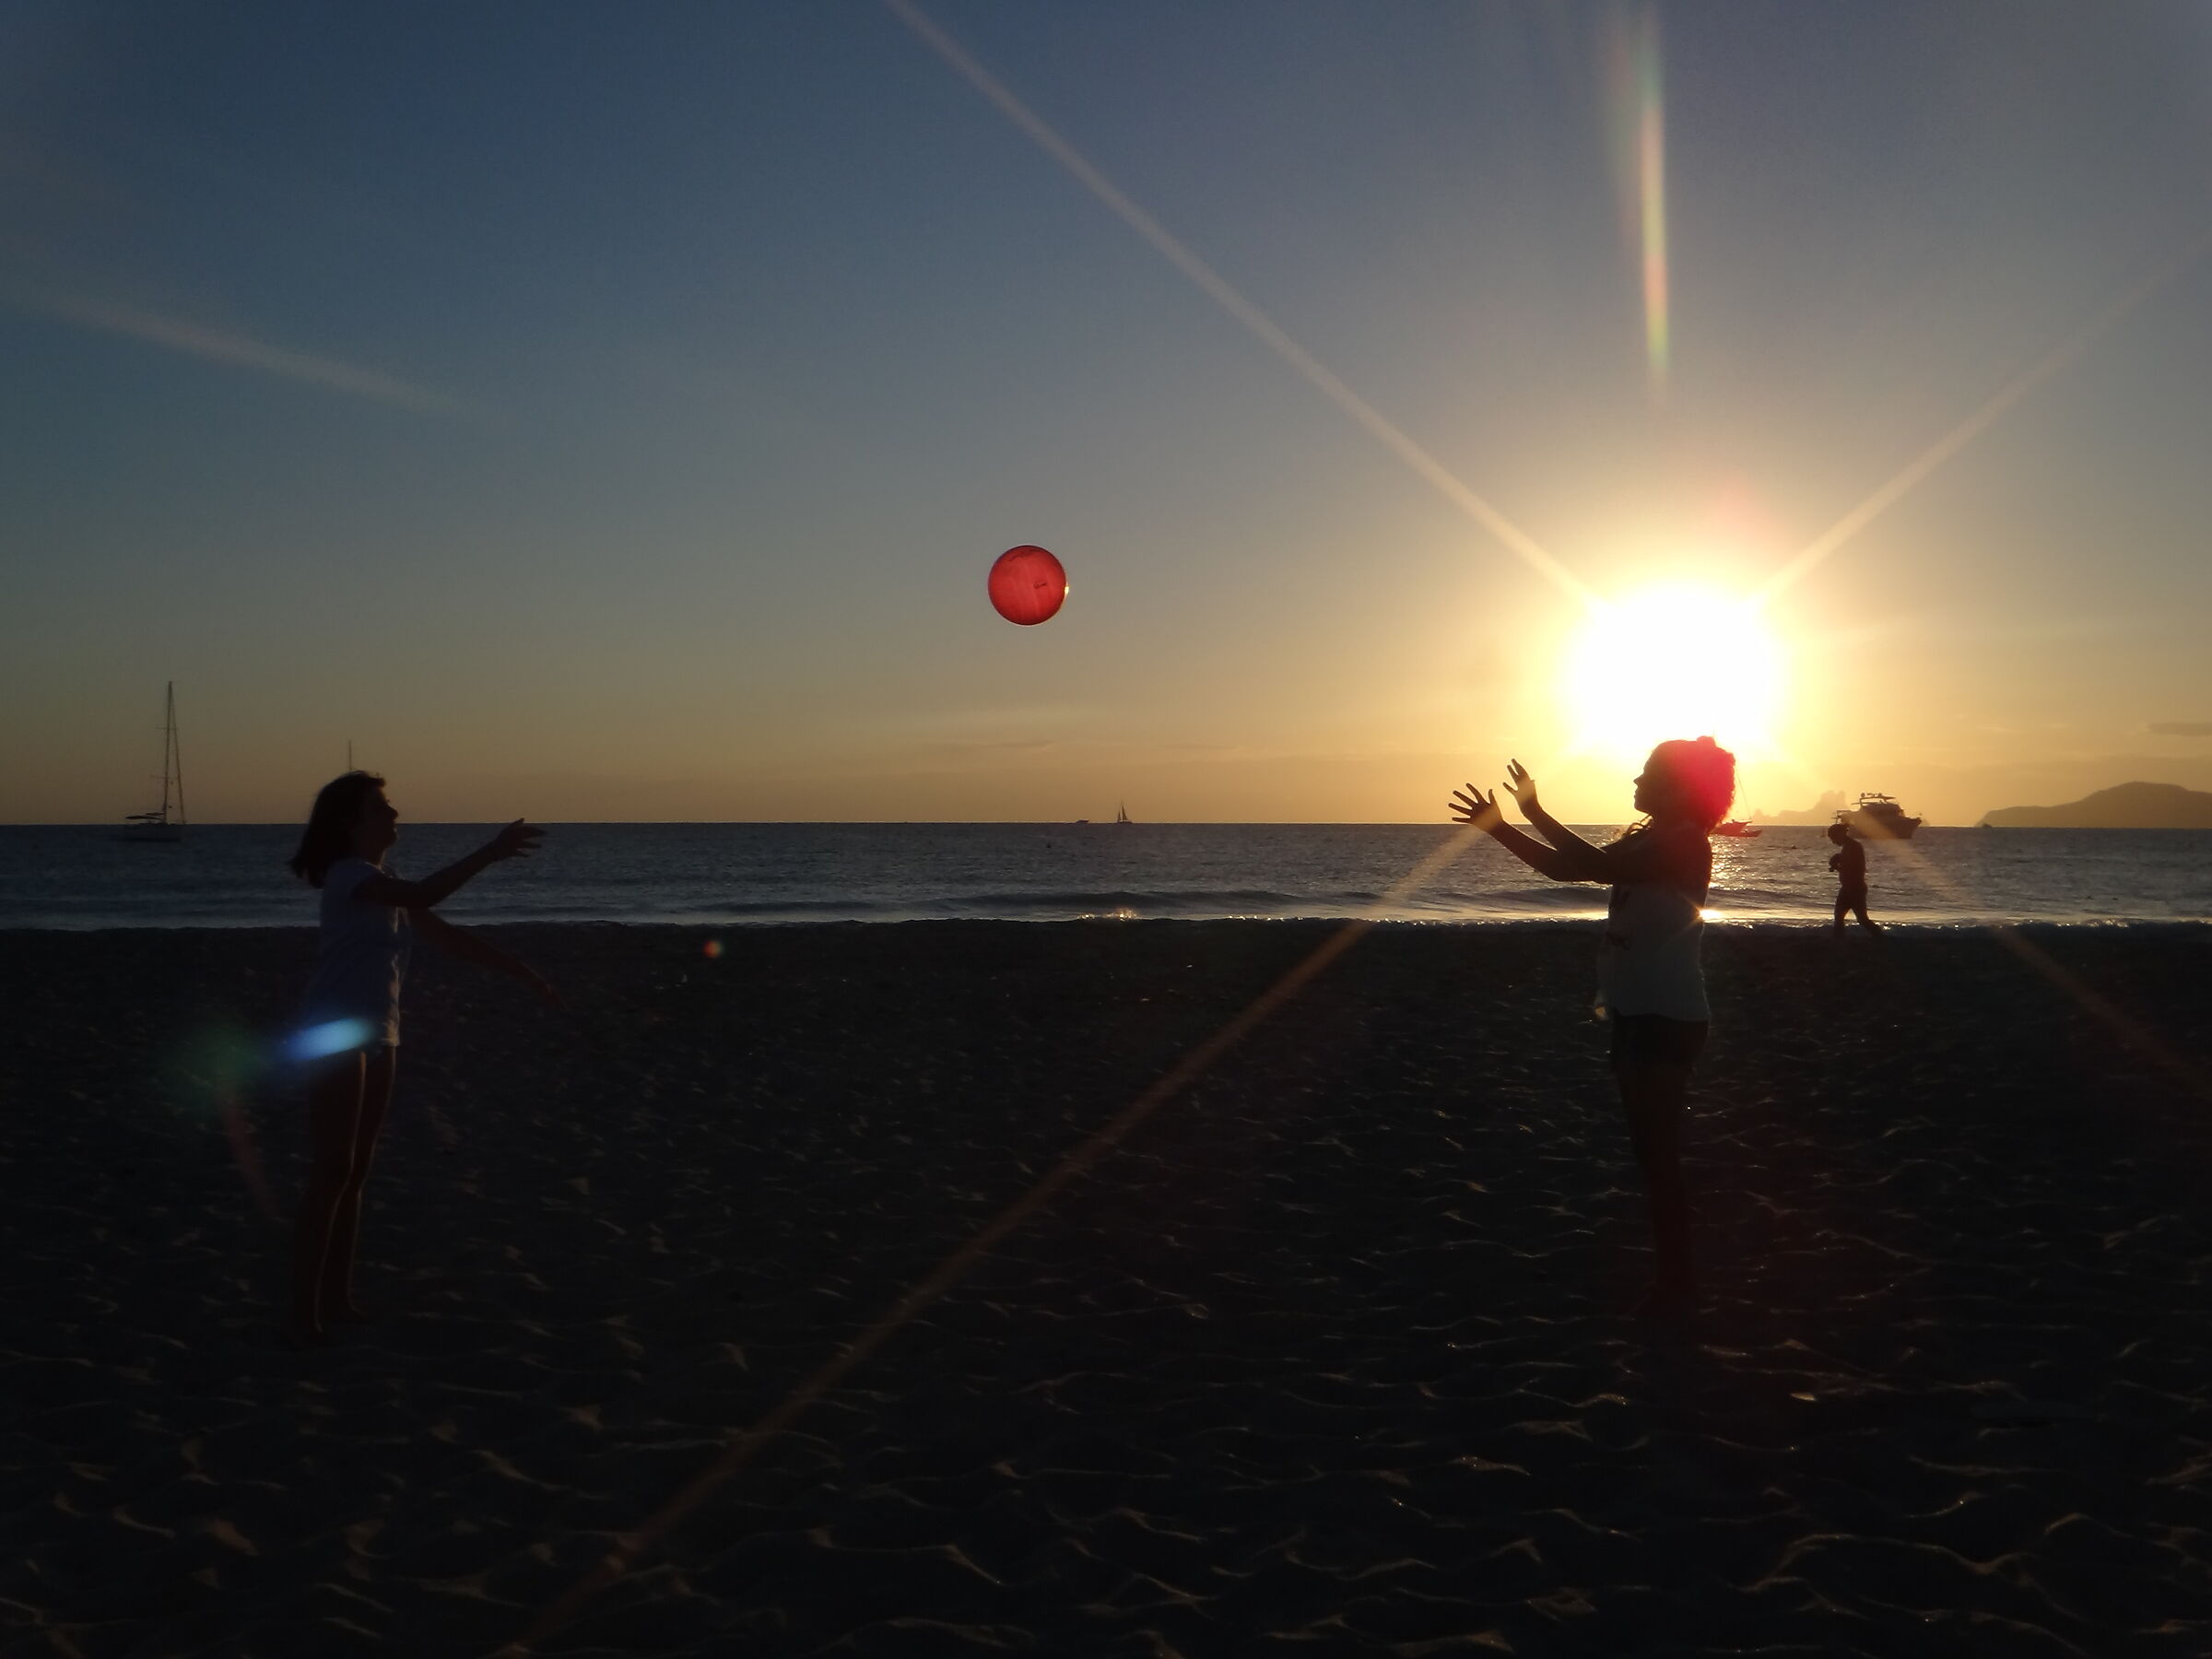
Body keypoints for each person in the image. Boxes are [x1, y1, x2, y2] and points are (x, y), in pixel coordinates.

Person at [1450, 738, 1735, 1319]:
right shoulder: (1654, 838)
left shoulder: (1683, 842)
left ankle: (1678, 1286)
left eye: (1650, 771)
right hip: (1639, 1012)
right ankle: (1674, 1279)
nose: (1637, 778)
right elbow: (1567, 867)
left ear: (1679, 785)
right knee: (1650, 1153)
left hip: (1665, 1015)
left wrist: (1532, 814)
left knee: (1658, 1156)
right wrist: (1501, 827)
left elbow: (1596, 867)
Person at [284, 771, 558, 1347]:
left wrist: (523, 974)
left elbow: (447, 934)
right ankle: (300, 1311)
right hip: (334, 1031)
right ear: (352, 822)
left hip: (381, 1031)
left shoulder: (381, 881)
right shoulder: (349, 877)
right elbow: (425, 897)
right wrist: (490, 851)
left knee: (355, 1173)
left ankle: (337, 1300)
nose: (394, 813)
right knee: (331, 1171)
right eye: (381, 807)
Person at [1827, 821, 1879, 935]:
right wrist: (1838, 860)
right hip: (1849, 888)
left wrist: (1837, 866)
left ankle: (1880, 937)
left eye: (1833, 838)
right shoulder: (1849, 847)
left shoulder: (1853, 847)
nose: (1833, 841)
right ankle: (1840, 941)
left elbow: (1854, 869)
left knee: (1860, 919)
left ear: (1840, 834)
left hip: (1854, 888)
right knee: (1841, 917)